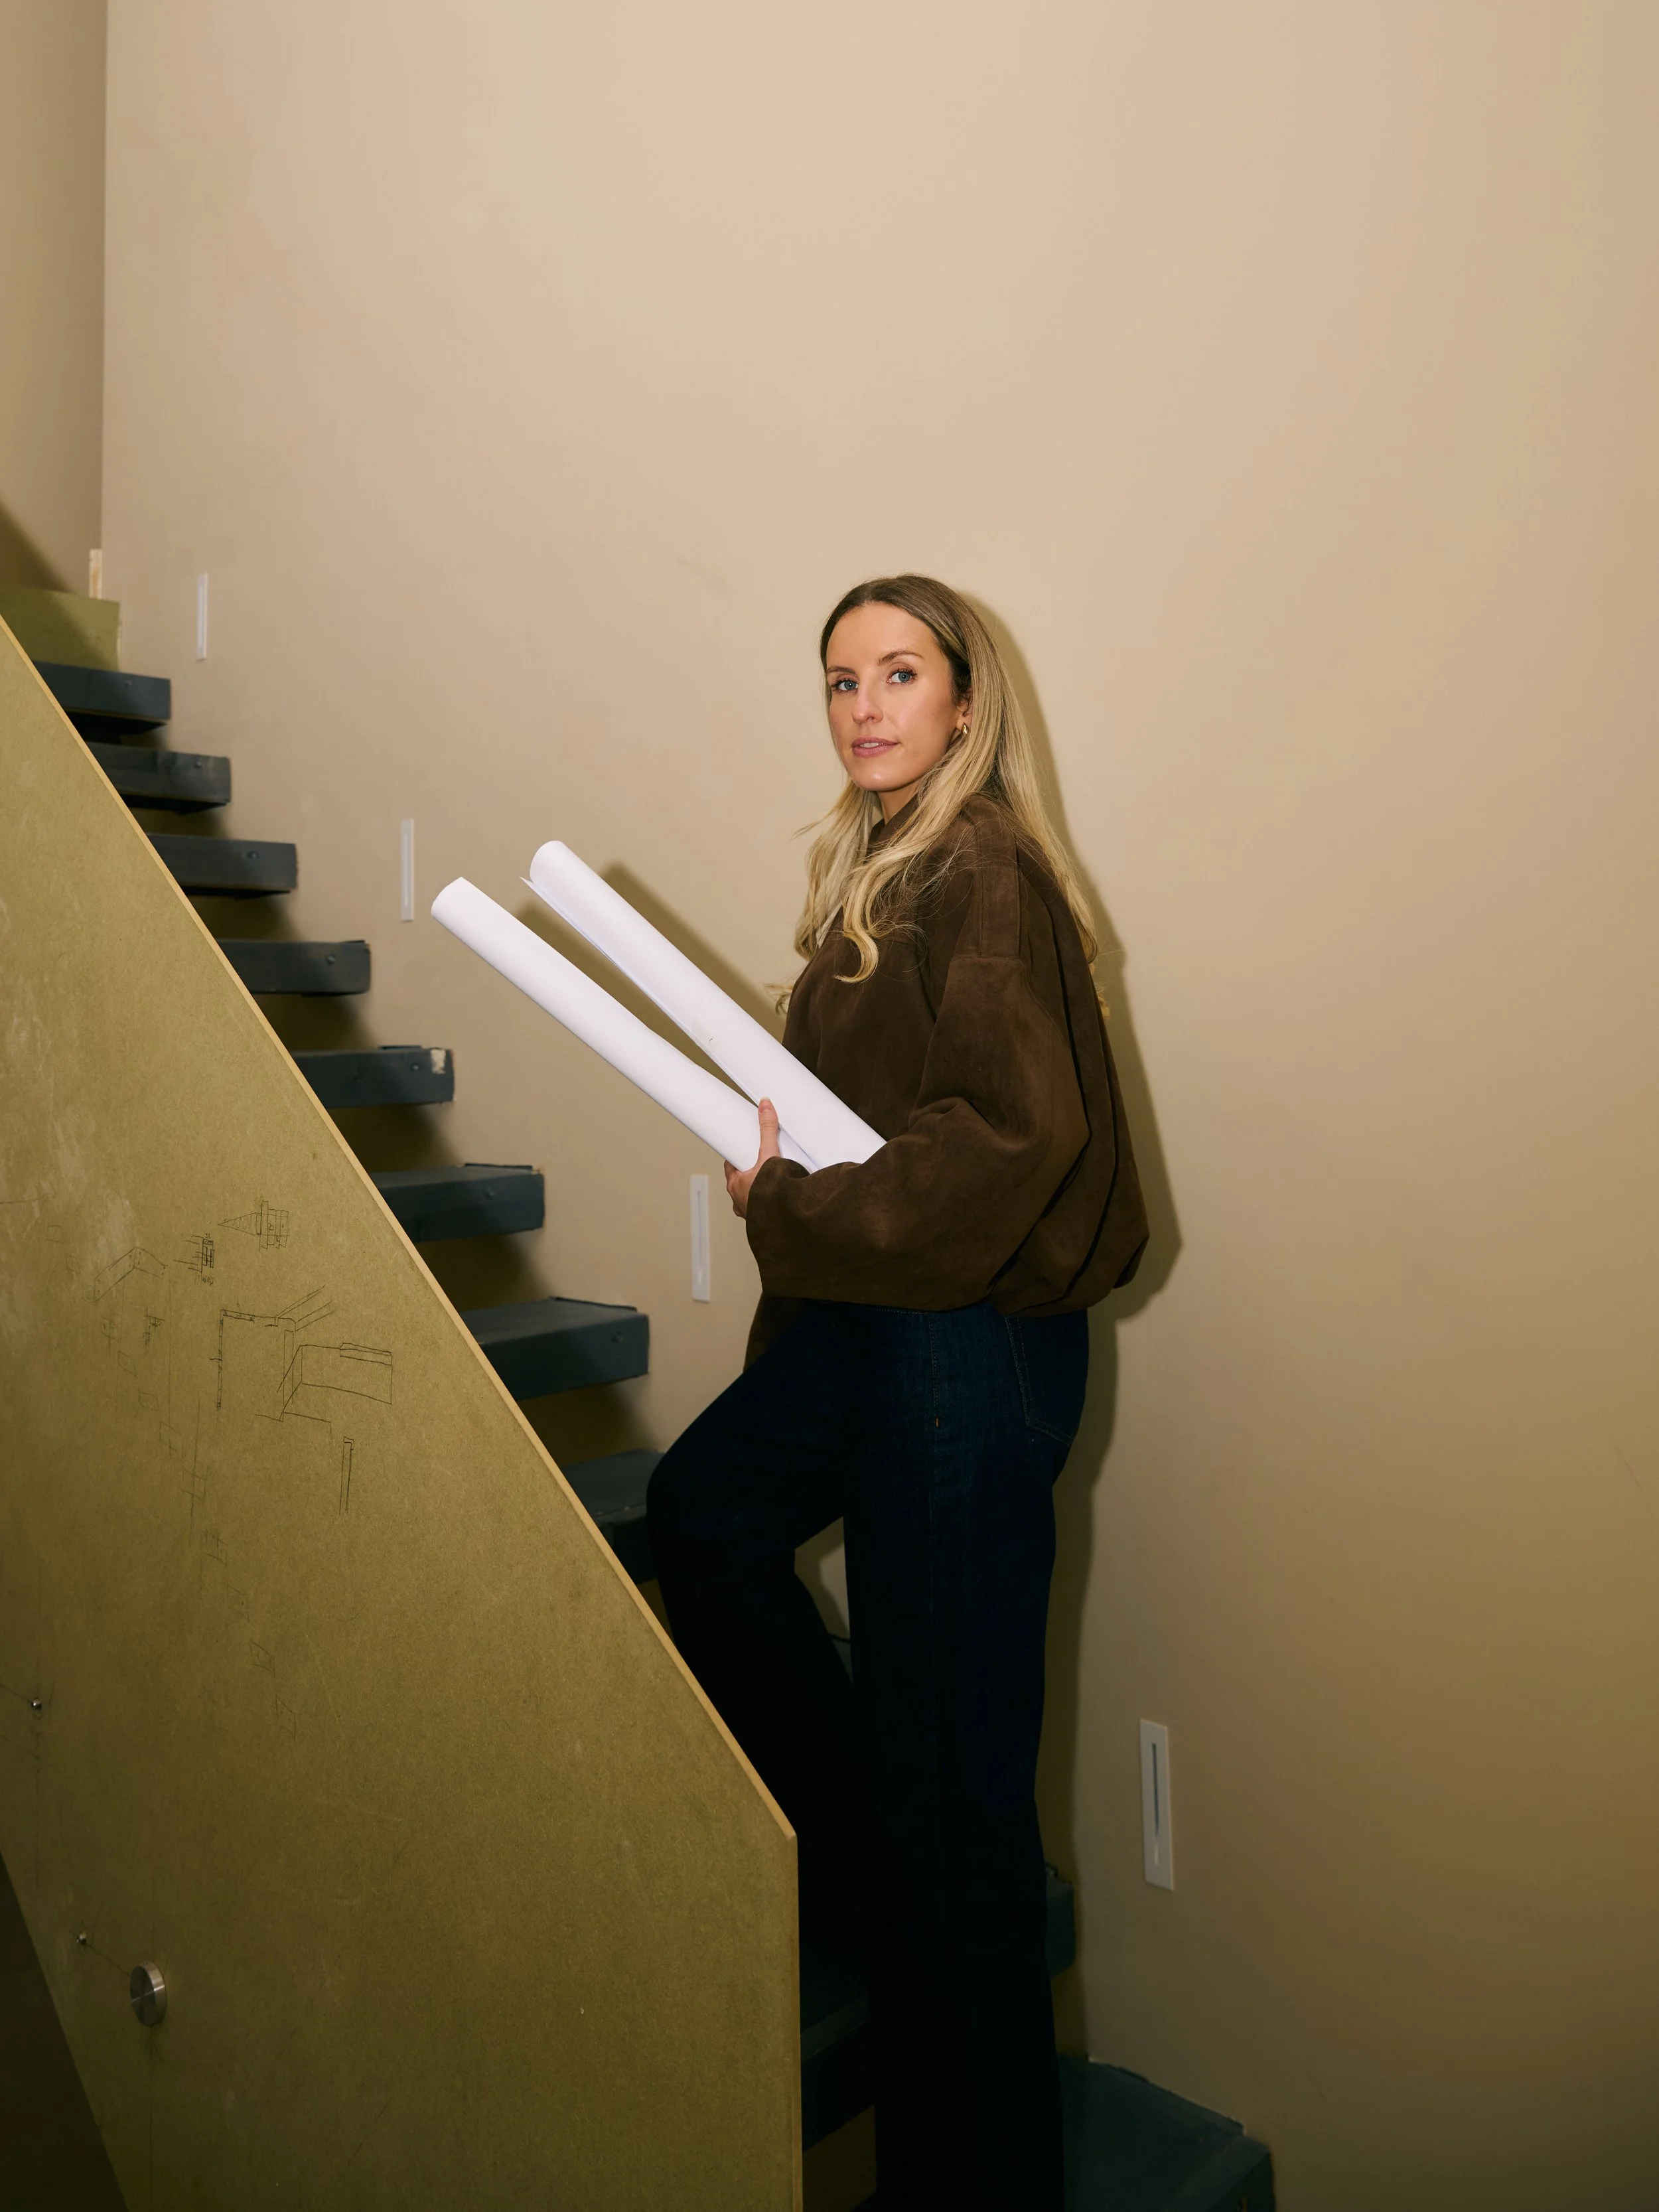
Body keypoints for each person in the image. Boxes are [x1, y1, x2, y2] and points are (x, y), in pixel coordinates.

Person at [647, 575, 1148, 2210]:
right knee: (705, 1513)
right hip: (882, 1321)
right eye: (840, 680)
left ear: (962, 700)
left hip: (969, 1343)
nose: (864, 704)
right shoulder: (886, 868)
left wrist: (781, 1201)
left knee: (959, 1803)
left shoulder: (984, 863)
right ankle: (855, 1829)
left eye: (899, 673)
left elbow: (1003, 1144)